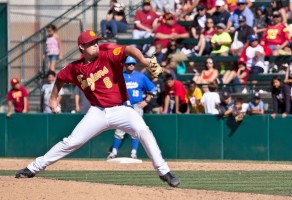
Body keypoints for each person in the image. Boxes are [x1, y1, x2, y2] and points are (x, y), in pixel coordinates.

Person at [15, 30, 180, 188]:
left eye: (96, 41)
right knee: (72, 142)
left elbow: (129, 49)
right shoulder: (75, 68)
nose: (96, 45)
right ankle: (33, 168)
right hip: (98, 112)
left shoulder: (107, 56)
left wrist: (144, 60)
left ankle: (164, 171)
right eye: (91, 43)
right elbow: (60, 79)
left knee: (144, 131)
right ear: (82, 47)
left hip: (121, 108)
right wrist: (53, 98)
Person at [107, 56, 156, 159]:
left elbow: (153, 89)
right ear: (125, 65)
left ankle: (133, 153)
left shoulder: (141, 76)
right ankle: (114, 152)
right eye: (129, 64)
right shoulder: (121, 76)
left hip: (137, 106)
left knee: (136, 130)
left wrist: (146, 101)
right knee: (119, 129)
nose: (131, 65)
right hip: (124, 106)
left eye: (133, 63)